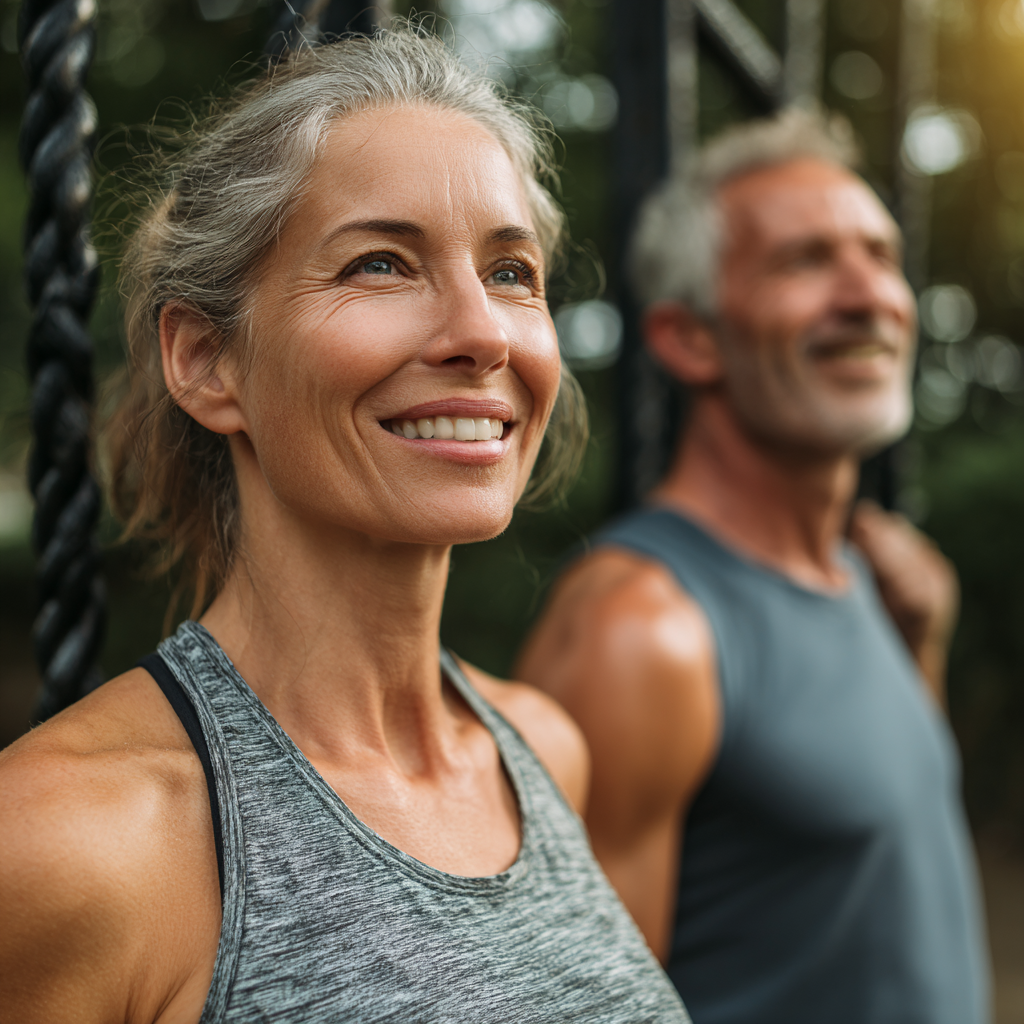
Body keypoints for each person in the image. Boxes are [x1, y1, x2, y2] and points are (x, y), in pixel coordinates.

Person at [0, 28, 691, 1024]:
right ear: (205, 359)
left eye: (510, 273)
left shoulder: (546, 751)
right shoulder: (69, 841)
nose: (482, 333)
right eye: (380, 263)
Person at [516, 108, 989, 1024]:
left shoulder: (876, 581)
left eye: (880, 255)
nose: (869, 296)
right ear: (688, 339)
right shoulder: (640, 630)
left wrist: (920, 647)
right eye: (806, 262)